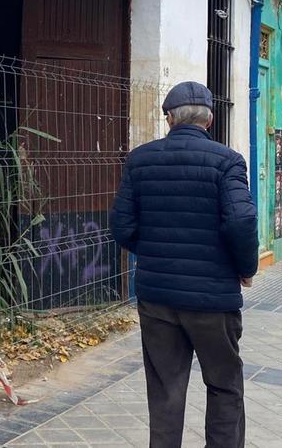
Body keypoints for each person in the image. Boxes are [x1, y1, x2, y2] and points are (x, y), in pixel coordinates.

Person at [109, 81, 257, 448]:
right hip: (213, 300)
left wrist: (155, 252)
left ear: (169, 119)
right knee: (224, 385)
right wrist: (245, 268)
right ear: (210, 119)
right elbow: (241, 221)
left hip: (157, 298)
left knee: (165, 391)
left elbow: (122, 227)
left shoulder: (140, 160)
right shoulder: (228, 161)